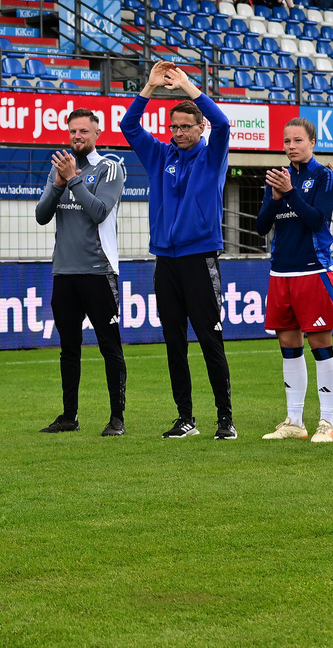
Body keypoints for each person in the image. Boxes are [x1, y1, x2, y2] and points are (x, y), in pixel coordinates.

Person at [121, 60, 236, 440]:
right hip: (165, 261)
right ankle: (185, 418)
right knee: (174, 342)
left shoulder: (212, 153)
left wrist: (188, 86)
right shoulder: (160, 155)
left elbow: (223, 124)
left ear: (199, 128)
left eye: (186, 126)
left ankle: (225, 420)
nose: (179, 132)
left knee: (209, 339)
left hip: (200, 257)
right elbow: (129, 127)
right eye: (174, 127)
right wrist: (150, 87)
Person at [36, 109, 127, 437]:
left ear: (97, 133)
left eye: (84, 132)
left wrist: (73, 179)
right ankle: (69, 416)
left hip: (98, 271)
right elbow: (41, 215)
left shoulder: (110, 167)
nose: (77, 137)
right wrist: (60, 183)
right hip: (64, 273)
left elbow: (100, 211)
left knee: (109, 346)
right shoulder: (58, 169)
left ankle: (117, 417)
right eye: (73, 131)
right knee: (69, 347)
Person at [255, 118, 333, 443]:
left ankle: (326, 423)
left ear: (312, 142)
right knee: (288, 346)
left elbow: (316, 220)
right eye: (287, 140)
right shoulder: (278, 177)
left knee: (320, 344)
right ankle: (295, 420)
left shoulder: (324, 176)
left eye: (297, 140)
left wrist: (289, 193)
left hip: (314, 270)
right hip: (281, 272)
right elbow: (262, 226)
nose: (291, 146)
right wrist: (276, 198)